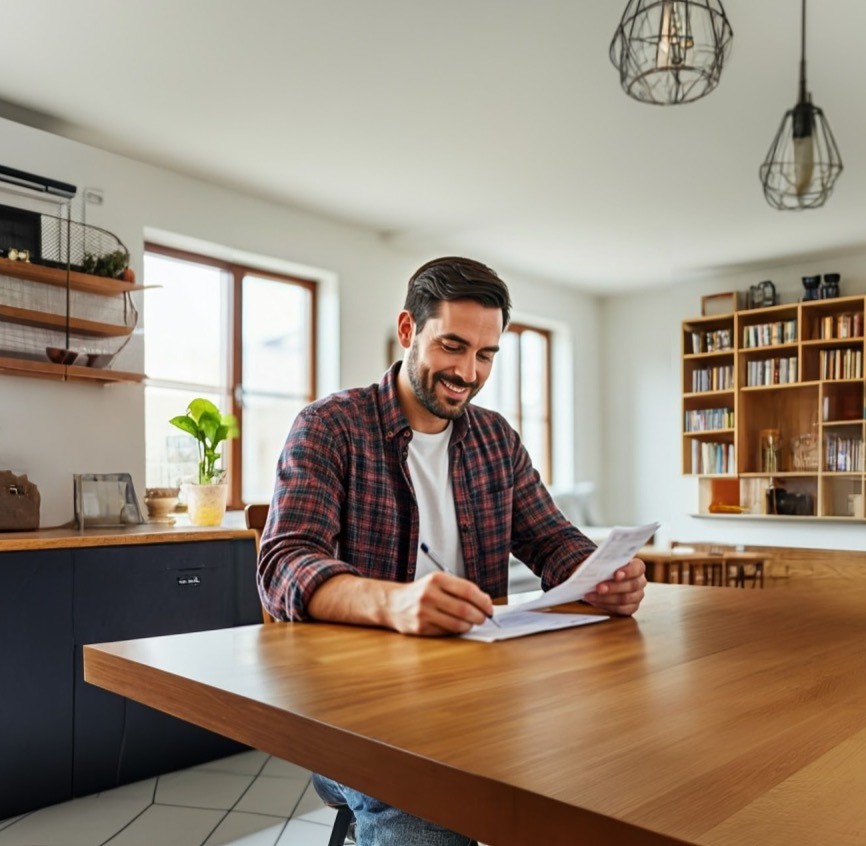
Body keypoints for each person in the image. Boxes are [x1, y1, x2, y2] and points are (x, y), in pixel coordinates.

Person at [258, 256, 647, 846]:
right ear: (409, 331)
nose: (468, 372)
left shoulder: (495, 439)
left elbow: (550, 538)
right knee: (433, 813)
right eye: (453, 346)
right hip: (359, 714)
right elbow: (285, 562)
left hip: (483, 697)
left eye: (486, 355)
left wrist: (598, 575)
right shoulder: (330, 427)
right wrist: (394, 604)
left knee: (614, 773)